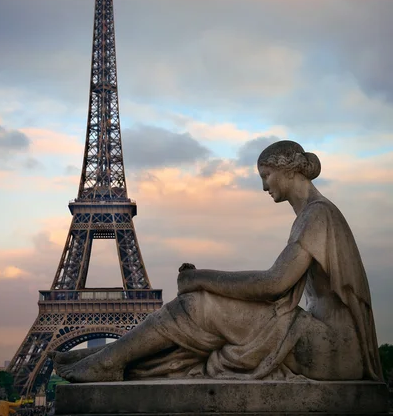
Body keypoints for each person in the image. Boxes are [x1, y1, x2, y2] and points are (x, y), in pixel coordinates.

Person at [52, 140, 382, 383]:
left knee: (199, 305)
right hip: (321, 340)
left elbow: (273, 284)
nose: (263, 184)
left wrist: (202, 278)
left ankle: (110, 359)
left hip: (333, 351)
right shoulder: (313, 214)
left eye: (266, 174)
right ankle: (111, 358)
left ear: (286, 169)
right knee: (199, 308)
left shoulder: (318, 214)